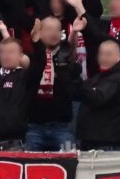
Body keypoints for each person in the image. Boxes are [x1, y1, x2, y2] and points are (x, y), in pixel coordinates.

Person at [25, 15, 81, 150]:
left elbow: (72, 88)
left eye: (57, 30)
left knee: (69, 166)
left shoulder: (69, 60)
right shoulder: (31, 60)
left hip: (63, 127)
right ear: (40, 33)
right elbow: (36, 68)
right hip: (35, 127)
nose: (53, 34)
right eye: (49, 29)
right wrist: (37, 44)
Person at [75, 37, 120, 151]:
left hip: (106, 144)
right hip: (89, 141)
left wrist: (78, 80)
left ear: (119, 57)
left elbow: (98, 98)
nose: (104, 58)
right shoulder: (97, 77)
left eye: (108, 54)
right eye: (101, 54)